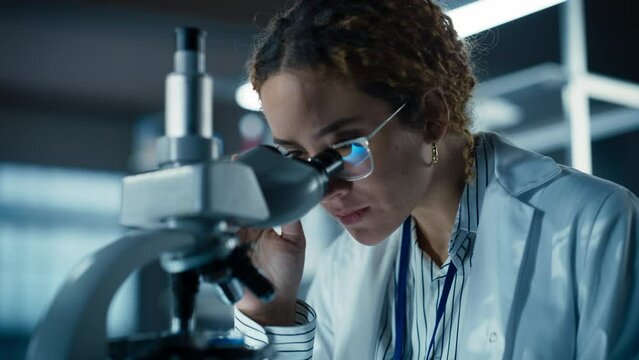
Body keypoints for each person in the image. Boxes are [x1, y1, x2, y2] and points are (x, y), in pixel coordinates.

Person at [232, 0, 639, 359]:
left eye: (346, 149)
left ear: (431, 117)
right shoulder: (344, 269)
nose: (326, 189)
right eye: (298, 158)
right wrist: (269, 313)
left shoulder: (596, 226)